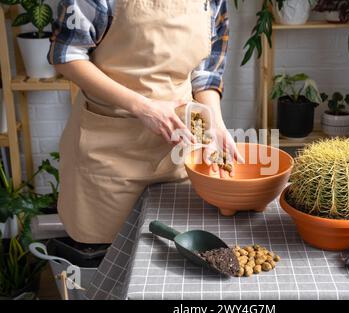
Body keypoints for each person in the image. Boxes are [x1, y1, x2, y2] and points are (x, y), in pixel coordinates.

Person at [48, 0, 239, 244]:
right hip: (109, 155)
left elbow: (206, 71)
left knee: (170, 250)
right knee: (107, 257)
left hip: (178, 150)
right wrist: (143, 106)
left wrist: (214, 123)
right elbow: (66, 54)